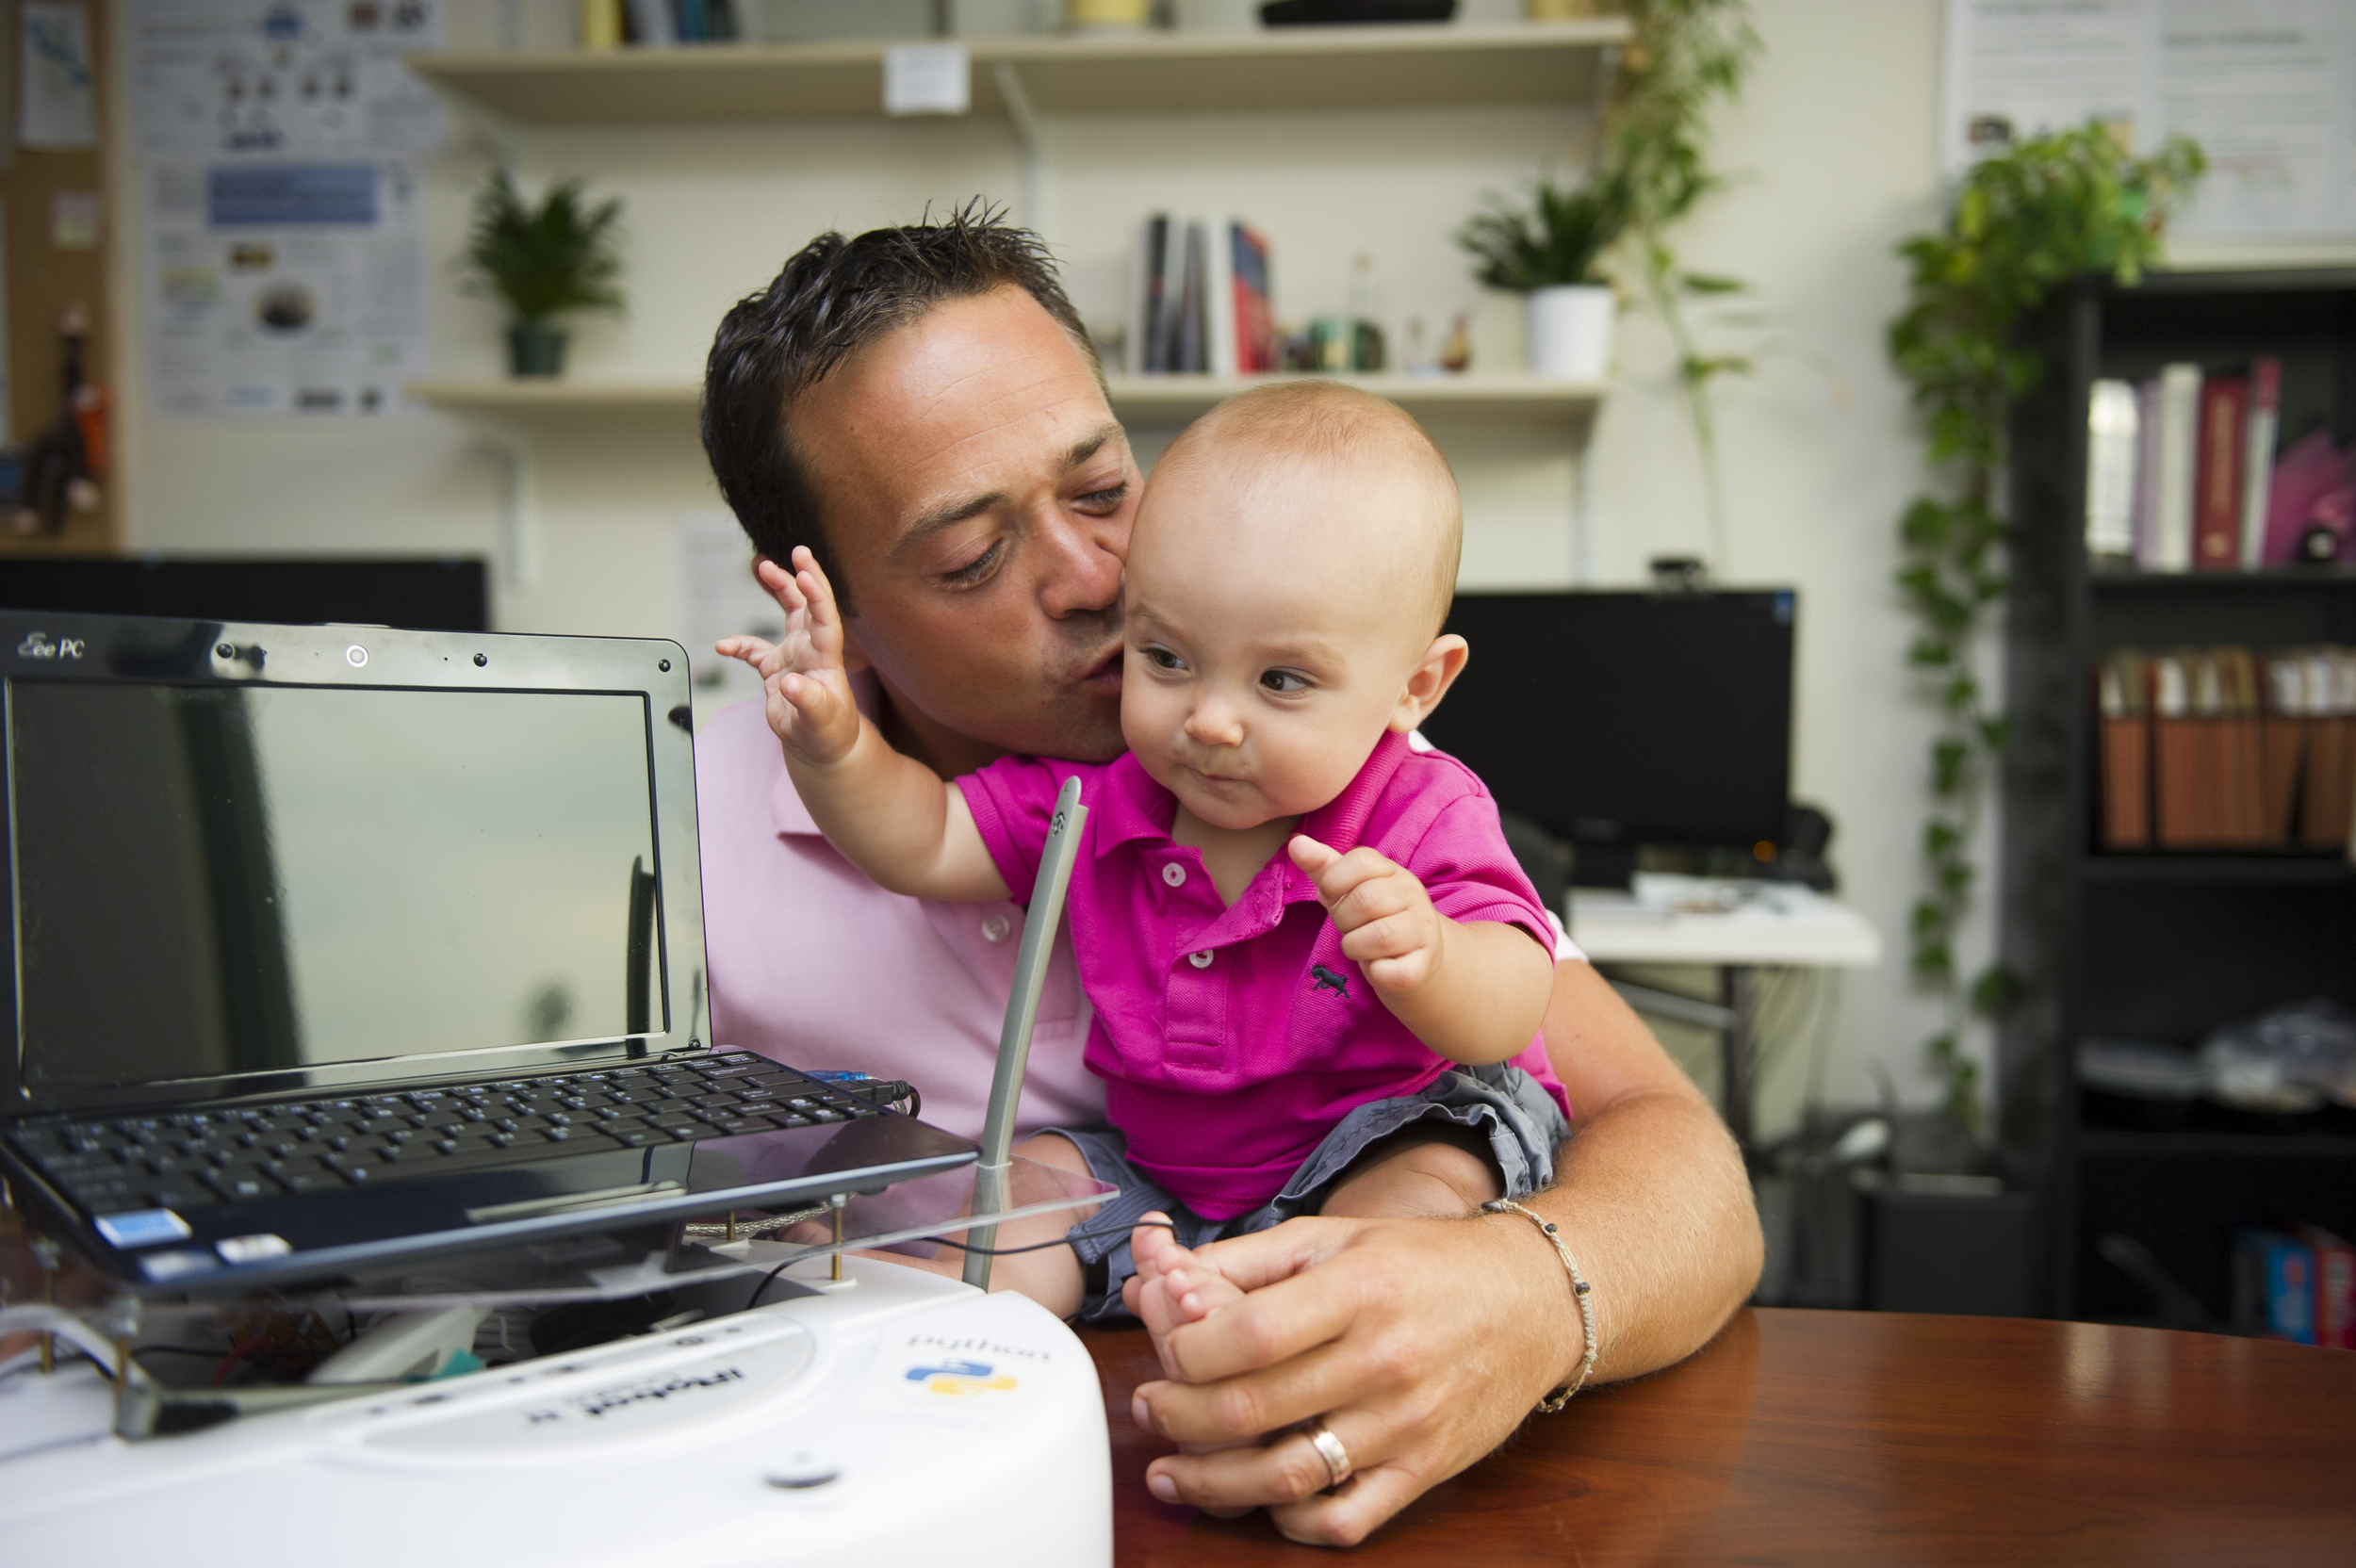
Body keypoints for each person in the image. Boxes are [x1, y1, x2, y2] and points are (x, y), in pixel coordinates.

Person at [697, 205, 1761, 1546]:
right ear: (826, 603)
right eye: (975, 556)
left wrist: (1516, 1301)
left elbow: (1685, 1172)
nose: (1096, 580)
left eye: (1102, 489)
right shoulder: (680, 845)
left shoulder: (1325, 758)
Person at [721, 382, 1570, 1318]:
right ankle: (940, 1307)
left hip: (1382, 1128)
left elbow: (1512, 1006)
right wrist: (835, 745)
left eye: (1279, 679)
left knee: (1423, 1184)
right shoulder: (1100, 794)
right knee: (1033, 1180)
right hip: (1157, 1169)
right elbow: (923, 838)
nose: (1207, 720)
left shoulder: (1419, 803)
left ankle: (1324, 1311)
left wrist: (1435, 959)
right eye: (1164, 658)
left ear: (1415, 684)